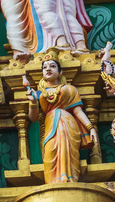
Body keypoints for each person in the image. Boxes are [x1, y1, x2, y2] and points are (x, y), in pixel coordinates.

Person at [25, 53, 97, 183]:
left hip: (68, 125)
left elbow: (78, 111)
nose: (48, 69)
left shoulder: (69, 89)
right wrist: (33, 103)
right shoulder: (39, 94)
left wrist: (90, 128)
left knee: (67, 148)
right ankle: (55, 181)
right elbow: (33, 118)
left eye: (52, 66)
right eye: (45, 67)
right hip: (50, 127)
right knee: (51, 151)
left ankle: (68, 177)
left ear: (60, 71)